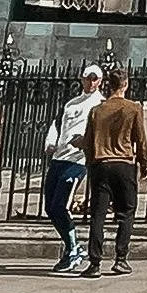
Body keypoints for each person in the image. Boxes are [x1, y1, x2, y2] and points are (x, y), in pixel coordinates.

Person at [80, 67, 147, 277]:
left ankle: (94, 263)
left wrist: (91, 164)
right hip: (124, 164)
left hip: (101, 163)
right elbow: (141, 139)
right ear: (126, 84)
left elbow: (89, 142)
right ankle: (120, 258)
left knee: (98, 215)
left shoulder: (97, 111)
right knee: (126, 213)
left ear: (108, 85)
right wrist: (144, 164)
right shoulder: (133, 108)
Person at [42, 62, 103, 273]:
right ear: (82, 79)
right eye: (88, 78)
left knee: (61, 204)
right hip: (60, 157)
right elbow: (57, 124)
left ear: (100, 81)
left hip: (78, 160)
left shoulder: (100, 104)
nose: (91, 82)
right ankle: (72, 246)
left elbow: (99, 131)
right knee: (50, 206)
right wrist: (51, 142)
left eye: (95, 78)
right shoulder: (71, 104)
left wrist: (85, 143)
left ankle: (72, 248)